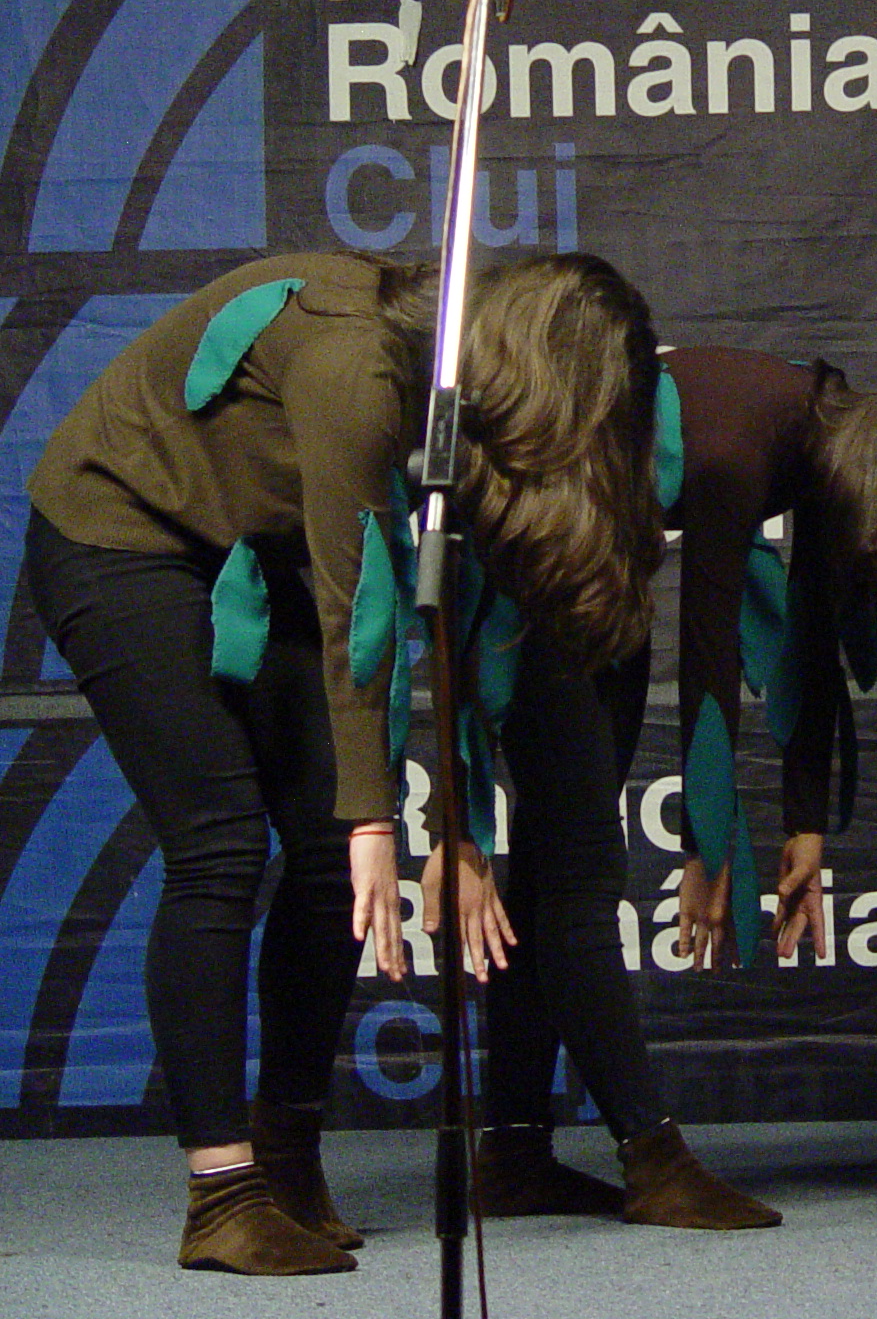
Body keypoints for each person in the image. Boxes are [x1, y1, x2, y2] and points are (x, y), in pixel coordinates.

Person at [21, 251, 659, 1273]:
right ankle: (221, 1192)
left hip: (253, 549)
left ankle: (285, 1153)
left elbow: (446, 611)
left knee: (323, 858)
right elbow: (356, 601)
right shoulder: (357, 371)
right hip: (120, 534)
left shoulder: (456, 408)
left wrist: (445, 825)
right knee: (221, 844)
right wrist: (376, 820)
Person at [458, 357, 877, 1226]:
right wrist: (706, 844)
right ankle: (651, 1159)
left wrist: (804, 825)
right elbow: (710, 648)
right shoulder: (741, 448)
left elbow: (811, 630)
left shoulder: (820, 433)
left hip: (595, 567)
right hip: (535, 567)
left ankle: (514, 1154)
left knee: (544, 872)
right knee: (573, 876)